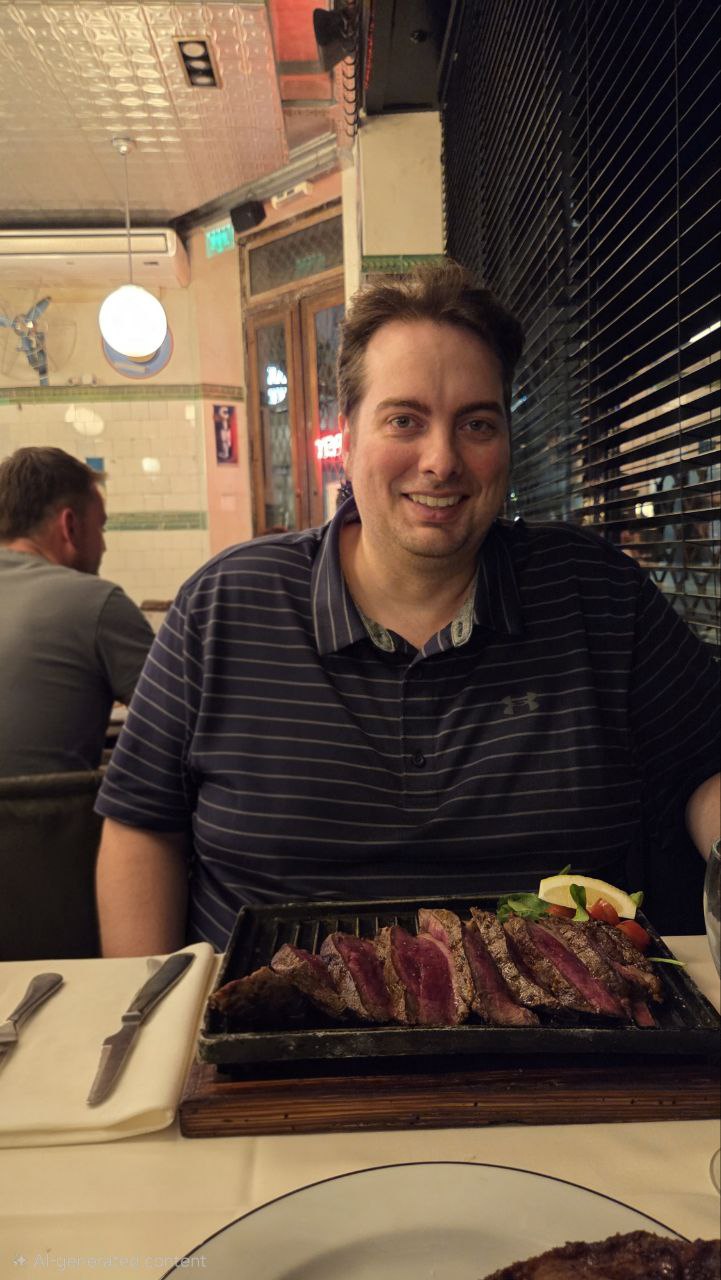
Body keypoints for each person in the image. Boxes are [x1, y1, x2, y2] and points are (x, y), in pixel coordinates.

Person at [95, 263, 720, 956]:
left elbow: (706, 770)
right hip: (264, 1012)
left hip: (568, 1011)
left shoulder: (597, 593)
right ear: (347, 438)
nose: (441, 460)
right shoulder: (223, 606)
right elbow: (141, 826)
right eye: (404, 420)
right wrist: (154, 1005)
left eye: (476, 424)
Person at [0, 447, 154, 776]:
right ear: (69, 526)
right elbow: (183, 722)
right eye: (101, 528)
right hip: (49, 810)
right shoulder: (96, 602)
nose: (103, 545)